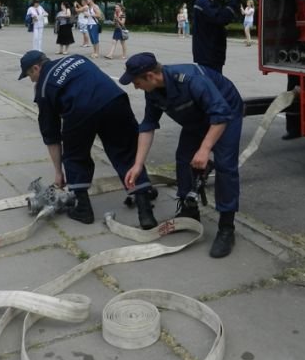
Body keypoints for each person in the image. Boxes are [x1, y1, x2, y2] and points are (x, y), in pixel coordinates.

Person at [120, 52, 244, 258]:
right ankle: (189, 209)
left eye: (136, 82)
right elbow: (148, 126)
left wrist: (204, 149)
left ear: (150, 76)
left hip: (225, 112)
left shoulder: (191, 81)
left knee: (225, 165)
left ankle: (226, 228)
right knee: (183, 159)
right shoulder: (153, 91)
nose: (135, 86)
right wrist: (138, 165)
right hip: (197, 116)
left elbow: (220, 115)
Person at [19, 50, 157, 229]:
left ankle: (83, 209)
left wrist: (58, 173)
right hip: (115, 100)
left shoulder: (44, 88)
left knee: (75, 156)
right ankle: (145, 210)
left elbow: (51, 135)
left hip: (80, 111)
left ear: (36, 68)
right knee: (126, 152)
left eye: (30, 75)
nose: (32, 81)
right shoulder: (77, 58)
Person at [192, 0, 248, 74]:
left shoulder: (209, 1)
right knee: (211, 86)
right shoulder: (203, 2)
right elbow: (221, 18)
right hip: (208, 56)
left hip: (212, 55)